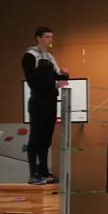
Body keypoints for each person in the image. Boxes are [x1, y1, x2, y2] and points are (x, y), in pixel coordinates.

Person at [21, 26, 68, 185]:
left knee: (46, 138)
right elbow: (32, 81)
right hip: (38, 102)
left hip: (51, 102)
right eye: (47, 37)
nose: (50, 40)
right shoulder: (30, 56)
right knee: (36, 137)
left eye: (51, 37)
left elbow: (57, 76)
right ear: (38, 38)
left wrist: (64, 74)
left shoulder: (49, 57)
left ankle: (44, 171)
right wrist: (53, 85)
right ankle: (33, 173)